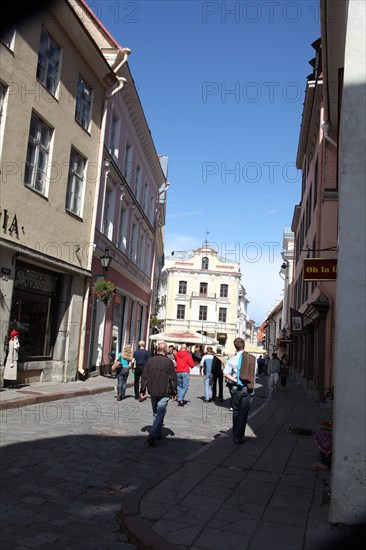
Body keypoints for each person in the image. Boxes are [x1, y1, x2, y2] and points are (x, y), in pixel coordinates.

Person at [140, 341, 178, 447]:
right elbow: (173, 378)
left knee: (155, 413)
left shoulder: (150, 361)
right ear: (165, 350)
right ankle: (152, 434)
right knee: (160, 412)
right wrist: (174, 392)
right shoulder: (169, 362)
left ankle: (157, 433)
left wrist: (142, 390)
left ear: (157, 350)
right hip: (164, 391)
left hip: (152, 390)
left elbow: (144, 377)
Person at [223, 337, 254, 444]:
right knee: (243, 412)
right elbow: (255, 373)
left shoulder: (232, 360)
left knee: (236, 411)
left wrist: (236, 380)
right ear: (244, 345)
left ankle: (235, 431)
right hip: (247, 388)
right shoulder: (252, 359)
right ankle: (238, 436)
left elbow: (226, 373)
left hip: (235, 388)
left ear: (235, 347)